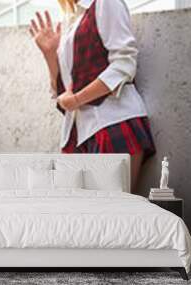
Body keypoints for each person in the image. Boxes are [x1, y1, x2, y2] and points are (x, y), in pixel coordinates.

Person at [29, 0, 156, 191]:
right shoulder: (73, 19)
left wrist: (77, 100)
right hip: (78, 134)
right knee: (78, 217)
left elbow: (124, 63)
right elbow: (64, 91)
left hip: (112, 122)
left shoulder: (106, 3)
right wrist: (50, 55)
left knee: (113, 215)